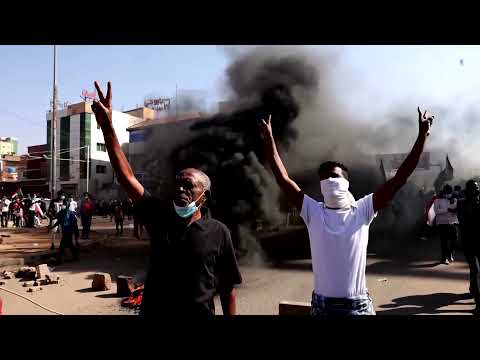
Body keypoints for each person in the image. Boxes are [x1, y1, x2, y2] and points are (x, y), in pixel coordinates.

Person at [260, 107, 434, 315]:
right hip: (322, 306)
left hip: (357, 306)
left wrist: (421, 135)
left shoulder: (363, 209)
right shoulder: (313, 212)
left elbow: (399, 179)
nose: (330, 181)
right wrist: (270, 140)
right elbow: (283, 179)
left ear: (347, 183)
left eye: (335, 176)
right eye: (324, 178)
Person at [92, 81, 242, 316]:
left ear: (205, 195)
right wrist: (108, 126)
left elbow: (227, 289)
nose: (180, 189)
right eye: (177, 183)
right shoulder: (160, 216)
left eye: (188, 185)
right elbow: (127, 178)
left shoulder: (219, 232)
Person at [457, 180, 480, 314]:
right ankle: (478, 304)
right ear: (468, 190)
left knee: (476, 272)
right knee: (475, 271)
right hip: (469, 242)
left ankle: (473, 290)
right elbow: (463, 222)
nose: (477, 190)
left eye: (477, 188)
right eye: (474, 188)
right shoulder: (462, 205)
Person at [433, 184, 458, 264]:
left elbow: (456, 209)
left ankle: (450, 253)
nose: (449, 194)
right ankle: (444, 258)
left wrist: (455, 211)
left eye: (450, 192)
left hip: (453, 222)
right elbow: (436, 211)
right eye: (447, 192)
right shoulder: (438, 200)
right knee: (444, 241)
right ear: (444, 192)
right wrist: (447, 209)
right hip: (442, 222)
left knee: (455, 239)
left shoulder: (454, 199)